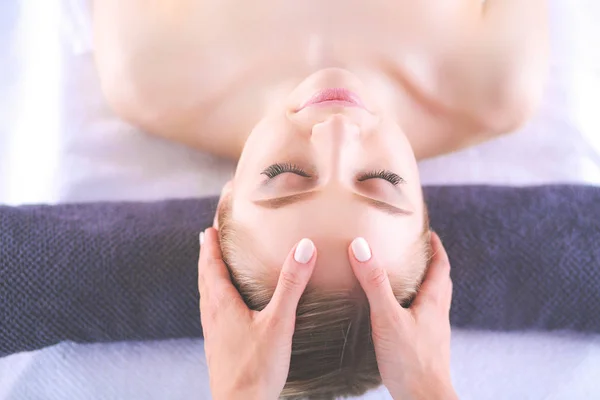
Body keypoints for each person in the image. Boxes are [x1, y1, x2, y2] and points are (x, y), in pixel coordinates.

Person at [93, 0, 548, 397]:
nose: (336, 130)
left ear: (224, 208)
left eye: (287, 174)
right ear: (426, 215)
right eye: (379, 180)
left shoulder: (146, 70)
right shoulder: (497, 80)